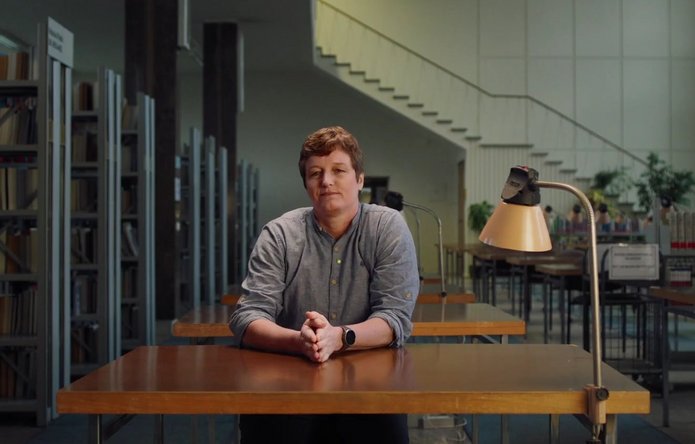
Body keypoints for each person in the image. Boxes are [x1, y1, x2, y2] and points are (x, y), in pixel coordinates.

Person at [229, 126, 420, 444]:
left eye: (338, 170)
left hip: (370, 388)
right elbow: (247, 318)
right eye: (315, 173)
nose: (326, 181)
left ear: (359, 179)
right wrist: (299, 342)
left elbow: (395, 318)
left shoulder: (388, 227)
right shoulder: (279, 234)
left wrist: (339, 337)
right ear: (306, 185)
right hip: (285, 385)